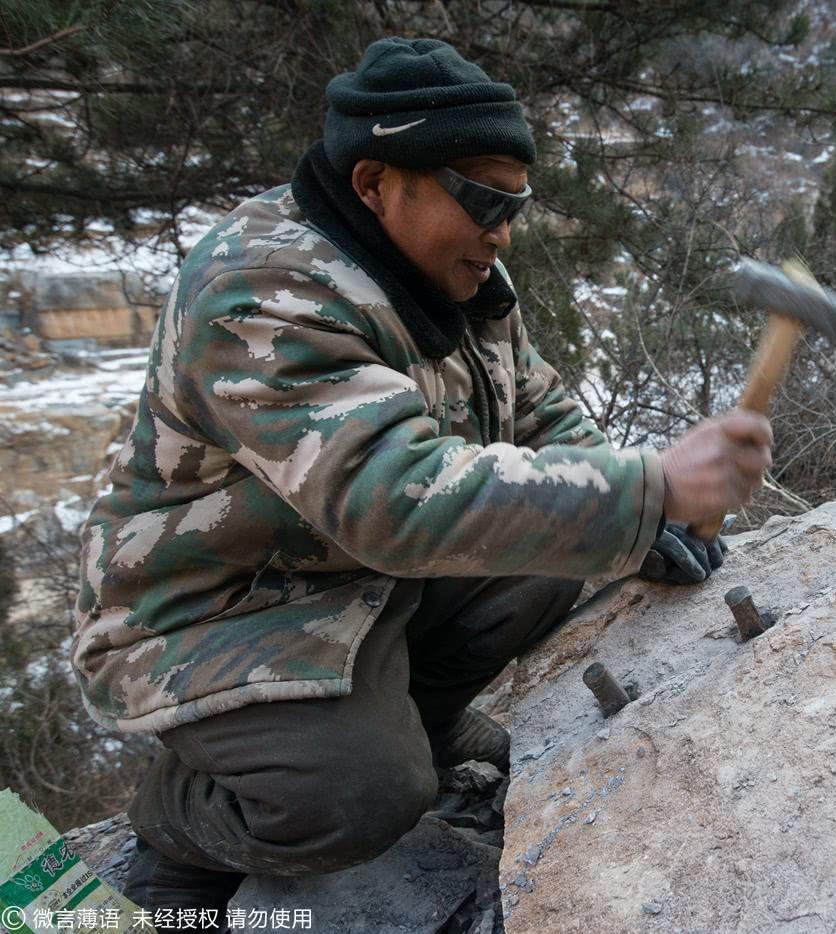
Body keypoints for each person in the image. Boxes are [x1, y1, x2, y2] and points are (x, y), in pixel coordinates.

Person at [69, 37, 771, 921]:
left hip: (352, 577)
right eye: (483, 199)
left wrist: (638, 514)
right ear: (374, 183)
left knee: (560, 547)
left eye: (516, 202)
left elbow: (535, 414)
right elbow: (387, 497)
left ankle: (411, 723)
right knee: (361, 799)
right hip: (213, 612)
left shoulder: (457, 269)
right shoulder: (261, 291)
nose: (504, 229)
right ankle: (180, 817)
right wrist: (646, 489)